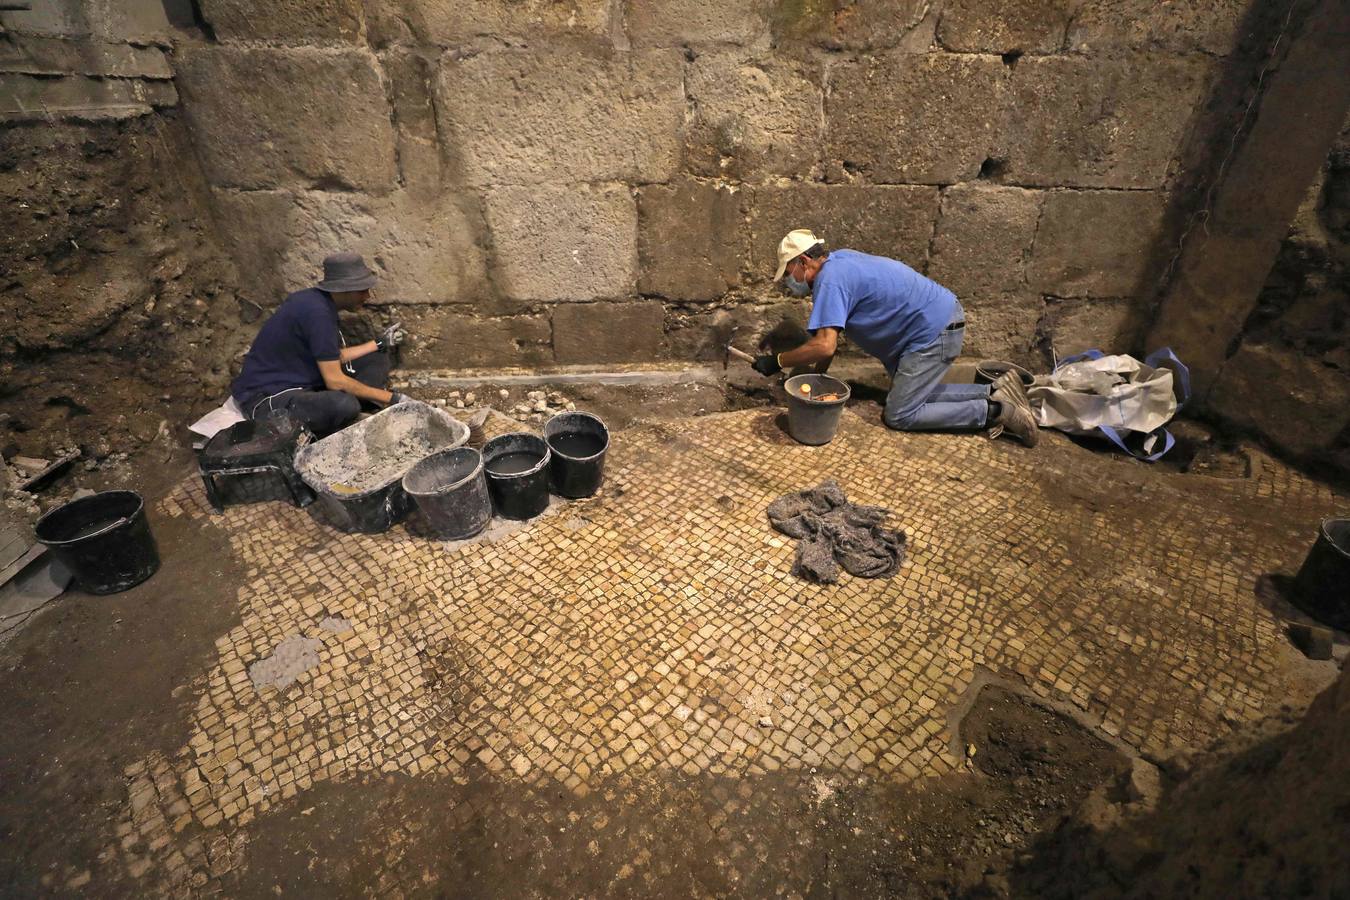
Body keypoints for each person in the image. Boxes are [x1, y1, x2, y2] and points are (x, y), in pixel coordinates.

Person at [751, 230, 1037, 446]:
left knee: (901, 414)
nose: (792, 282)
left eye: (790, 273)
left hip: (932, 332)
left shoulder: (831, 280)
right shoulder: (839, 263)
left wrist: (777, 361)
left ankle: (997, 411)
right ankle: (995, 390)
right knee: (913, 396)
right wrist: (816, 382)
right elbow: (826, 344)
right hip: (938, 320)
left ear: (803, 261)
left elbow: (824, 345)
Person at [230, 252, 410, 437]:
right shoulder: (317, 313)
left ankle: (358, 403)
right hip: (270, 395)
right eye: (362, 290)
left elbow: (331, 357)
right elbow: (334, 380)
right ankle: (353, 409)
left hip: (305, 380)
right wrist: (393, 399)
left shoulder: (318, 302)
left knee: (376, 358)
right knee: (343, 405)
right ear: (344, 289)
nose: (367, 296)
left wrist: (379, 343)